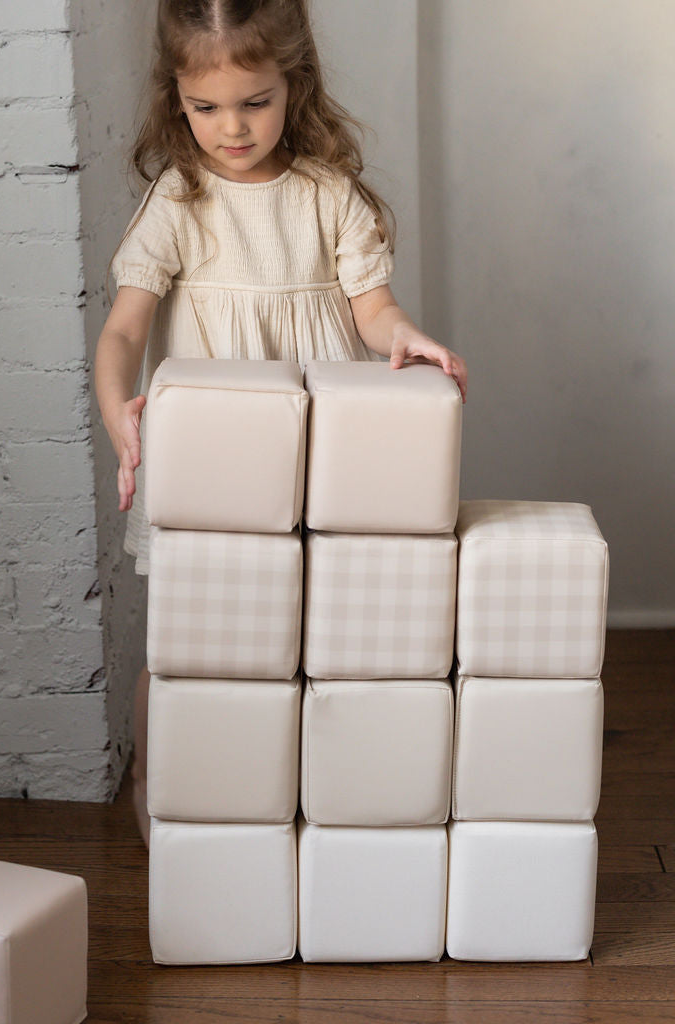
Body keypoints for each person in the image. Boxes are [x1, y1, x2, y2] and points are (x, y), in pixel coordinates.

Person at [93, 0, 467, 845]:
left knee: (312, 626)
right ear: (176, 99)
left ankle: (302, 788)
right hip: (210, 458)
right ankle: (160, 780)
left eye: (255, 102)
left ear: (293, 85)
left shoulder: (326, 193)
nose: (232, 127)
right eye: (206, 107)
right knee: (186, 636)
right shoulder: (178, 198)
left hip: (315, 452)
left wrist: (405, 336)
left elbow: (374, 312)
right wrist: (120, 412)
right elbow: (123, 331)